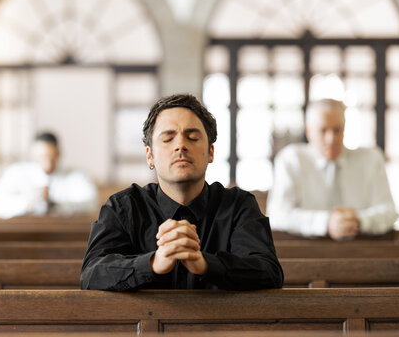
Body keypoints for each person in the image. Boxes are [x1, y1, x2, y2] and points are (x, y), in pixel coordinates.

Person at [80, 94, 283, 291]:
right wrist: (153, 263)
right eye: (168, 139)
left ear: (211, 152)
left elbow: (269, 272)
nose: (180, 146)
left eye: (193, 137)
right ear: (150, 156)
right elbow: (91, 274)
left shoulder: (238, 206)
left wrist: (205, 264)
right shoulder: (123, 208)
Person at [267, 98, 398, 240]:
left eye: (337, 130)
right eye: (323, 130)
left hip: (363, 251)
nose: (331, 139)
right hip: (307, 252)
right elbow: (277, 214)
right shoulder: (291, 160)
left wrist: (359, 221)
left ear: (345, 127)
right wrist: (325, 222)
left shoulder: (371, 159)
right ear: (308, 130)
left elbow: (389, 212)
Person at [0, 132, 98, 218]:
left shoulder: (77, 176)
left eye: (51, 156)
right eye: (42, 156)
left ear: (58, 154)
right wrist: (28, 203)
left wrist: (58, 206)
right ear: (33, 155)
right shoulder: (16, 173)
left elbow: (91, 204)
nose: (47, 161)